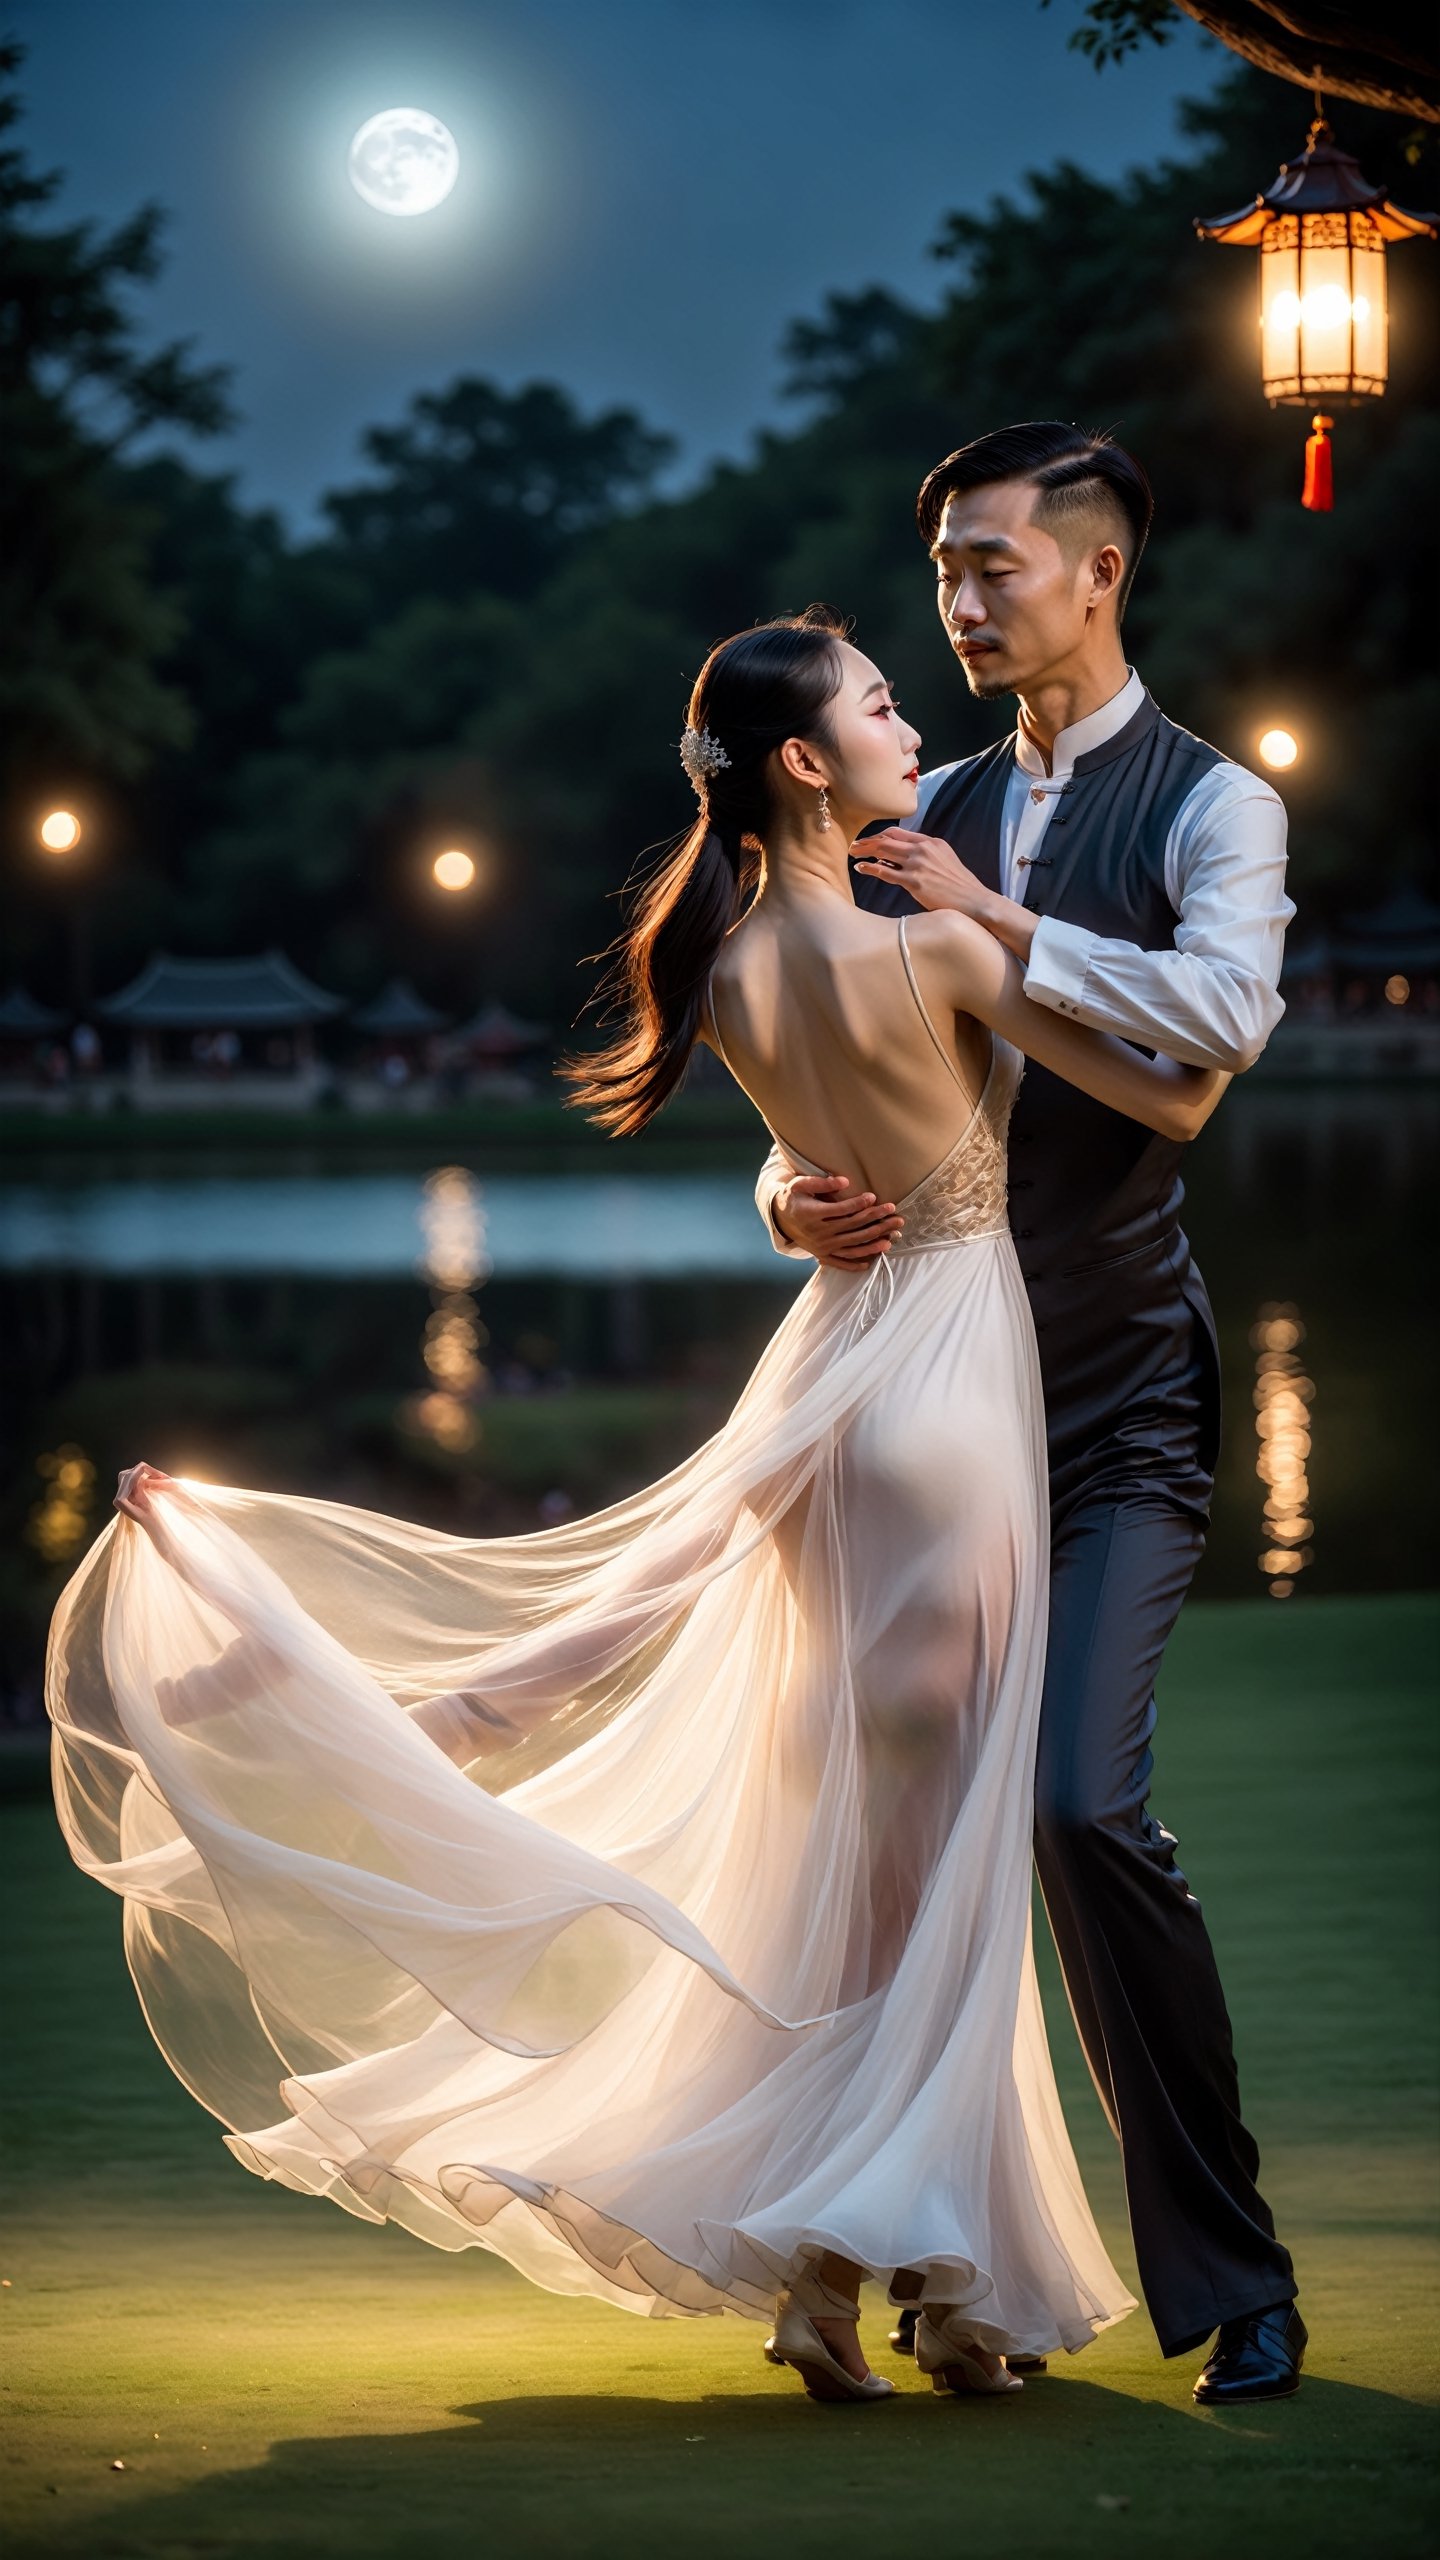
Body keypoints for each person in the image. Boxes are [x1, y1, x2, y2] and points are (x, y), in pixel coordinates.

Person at [47, 613, 1221, 2408]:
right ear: (809, 765)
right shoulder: (937, 954)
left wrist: (788, 1192)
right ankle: (861, 2265)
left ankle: (921, 2278)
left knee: (856, 1850)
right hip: (950, 1396)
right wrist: (997, 926)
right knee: (946, 1862)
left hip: (835, 1372)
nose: (915, 721)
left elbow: (804, 1156)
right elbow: (1178, 1093)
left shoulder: (730, 962)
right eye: (882, 707)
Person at [755, 424, 1304, 2406]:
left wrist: (988, 924)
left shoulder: (1215, 804)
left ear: (1099, 571)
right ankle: (922, 2260)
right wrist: (782, 1193)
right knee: (905, 1840)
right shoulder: (921, 791)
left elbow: (1211, 1037)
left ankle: (1234, 2273)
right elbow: (821, 1056)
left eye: (994, 565)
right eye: (945, 573)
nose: (963, 603)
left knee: (1078, 1802)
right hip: (916, 1406)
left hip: (1119, 1399)